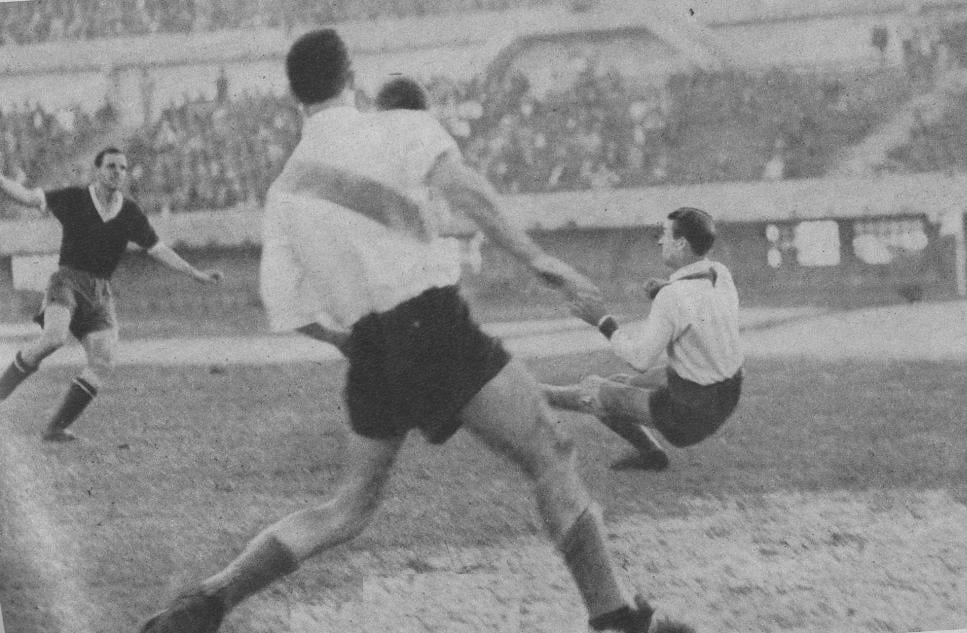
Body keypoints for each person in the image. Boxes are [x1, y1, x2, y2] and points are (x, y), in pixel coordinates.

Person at [138, 29, 692, 633]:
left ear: (296, 96)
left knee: (347, 508)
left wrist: (357, 345)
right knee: (550, 452)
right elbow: (465, 189)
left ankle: (206, 603)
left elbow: (290, 311)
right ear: (353, 77)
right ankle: (614, 615)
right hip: (433, 323)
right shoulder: (395, 126)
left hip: (370, 349)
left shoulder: (283, 192)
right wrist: (536, 259)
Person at [0, 147, 222, 441]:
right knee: (53, 339)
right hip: (66, 282)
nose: (117, 172)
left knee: (103, 362)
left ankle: (55, 428)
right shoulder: (75, 198)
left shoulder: (129, 212)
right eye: (111, 166)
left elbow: (157, 248)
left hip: (100, 293)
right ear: (97, 170)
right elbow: (29, 198)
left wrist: (194, 272)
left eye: (122, 168)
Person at [544, 207, 743, 471]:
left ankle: (537, 393)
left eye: (665, 235)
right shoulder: (720, 273)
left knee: (595, 390)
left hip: (691, 413)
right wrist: (665, 287)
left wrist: (602, 321)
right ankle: (652, 455)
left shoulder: (673, 297)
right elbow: (699, 301)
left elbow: (640, 359)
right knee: (617, 385)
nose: (661, 241)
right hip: (727, 391)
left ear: (681, 243)